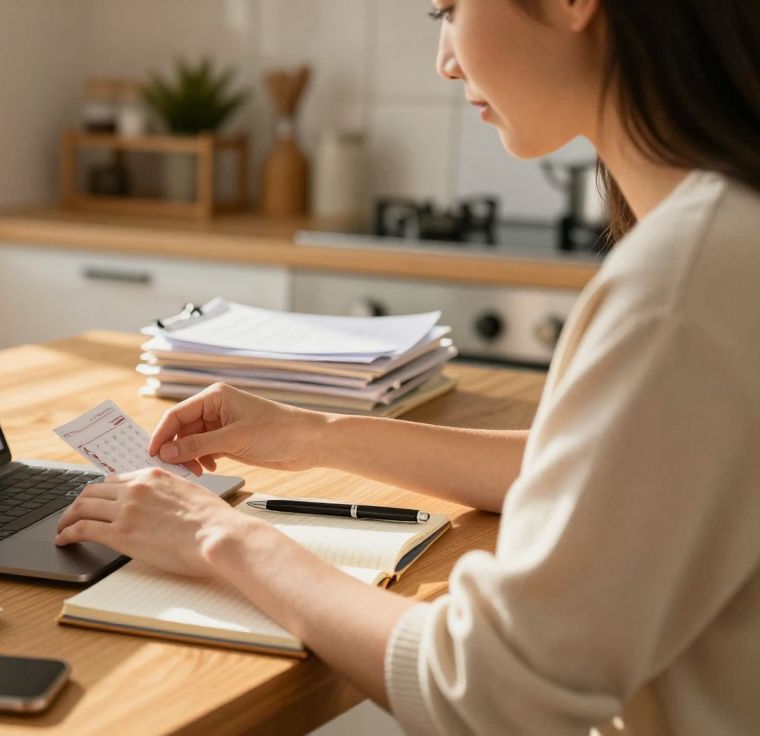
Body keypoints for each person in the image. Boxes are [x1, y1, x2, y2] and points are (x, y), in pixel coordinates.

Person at [56, 0, 760, 732]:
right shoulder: (728, 233)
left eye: (449, 10)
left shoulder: (682, 282)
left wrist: (220, 536)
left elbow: (488, 690)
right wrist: (314, 434)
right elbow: (604, 474)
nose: (446, 59)